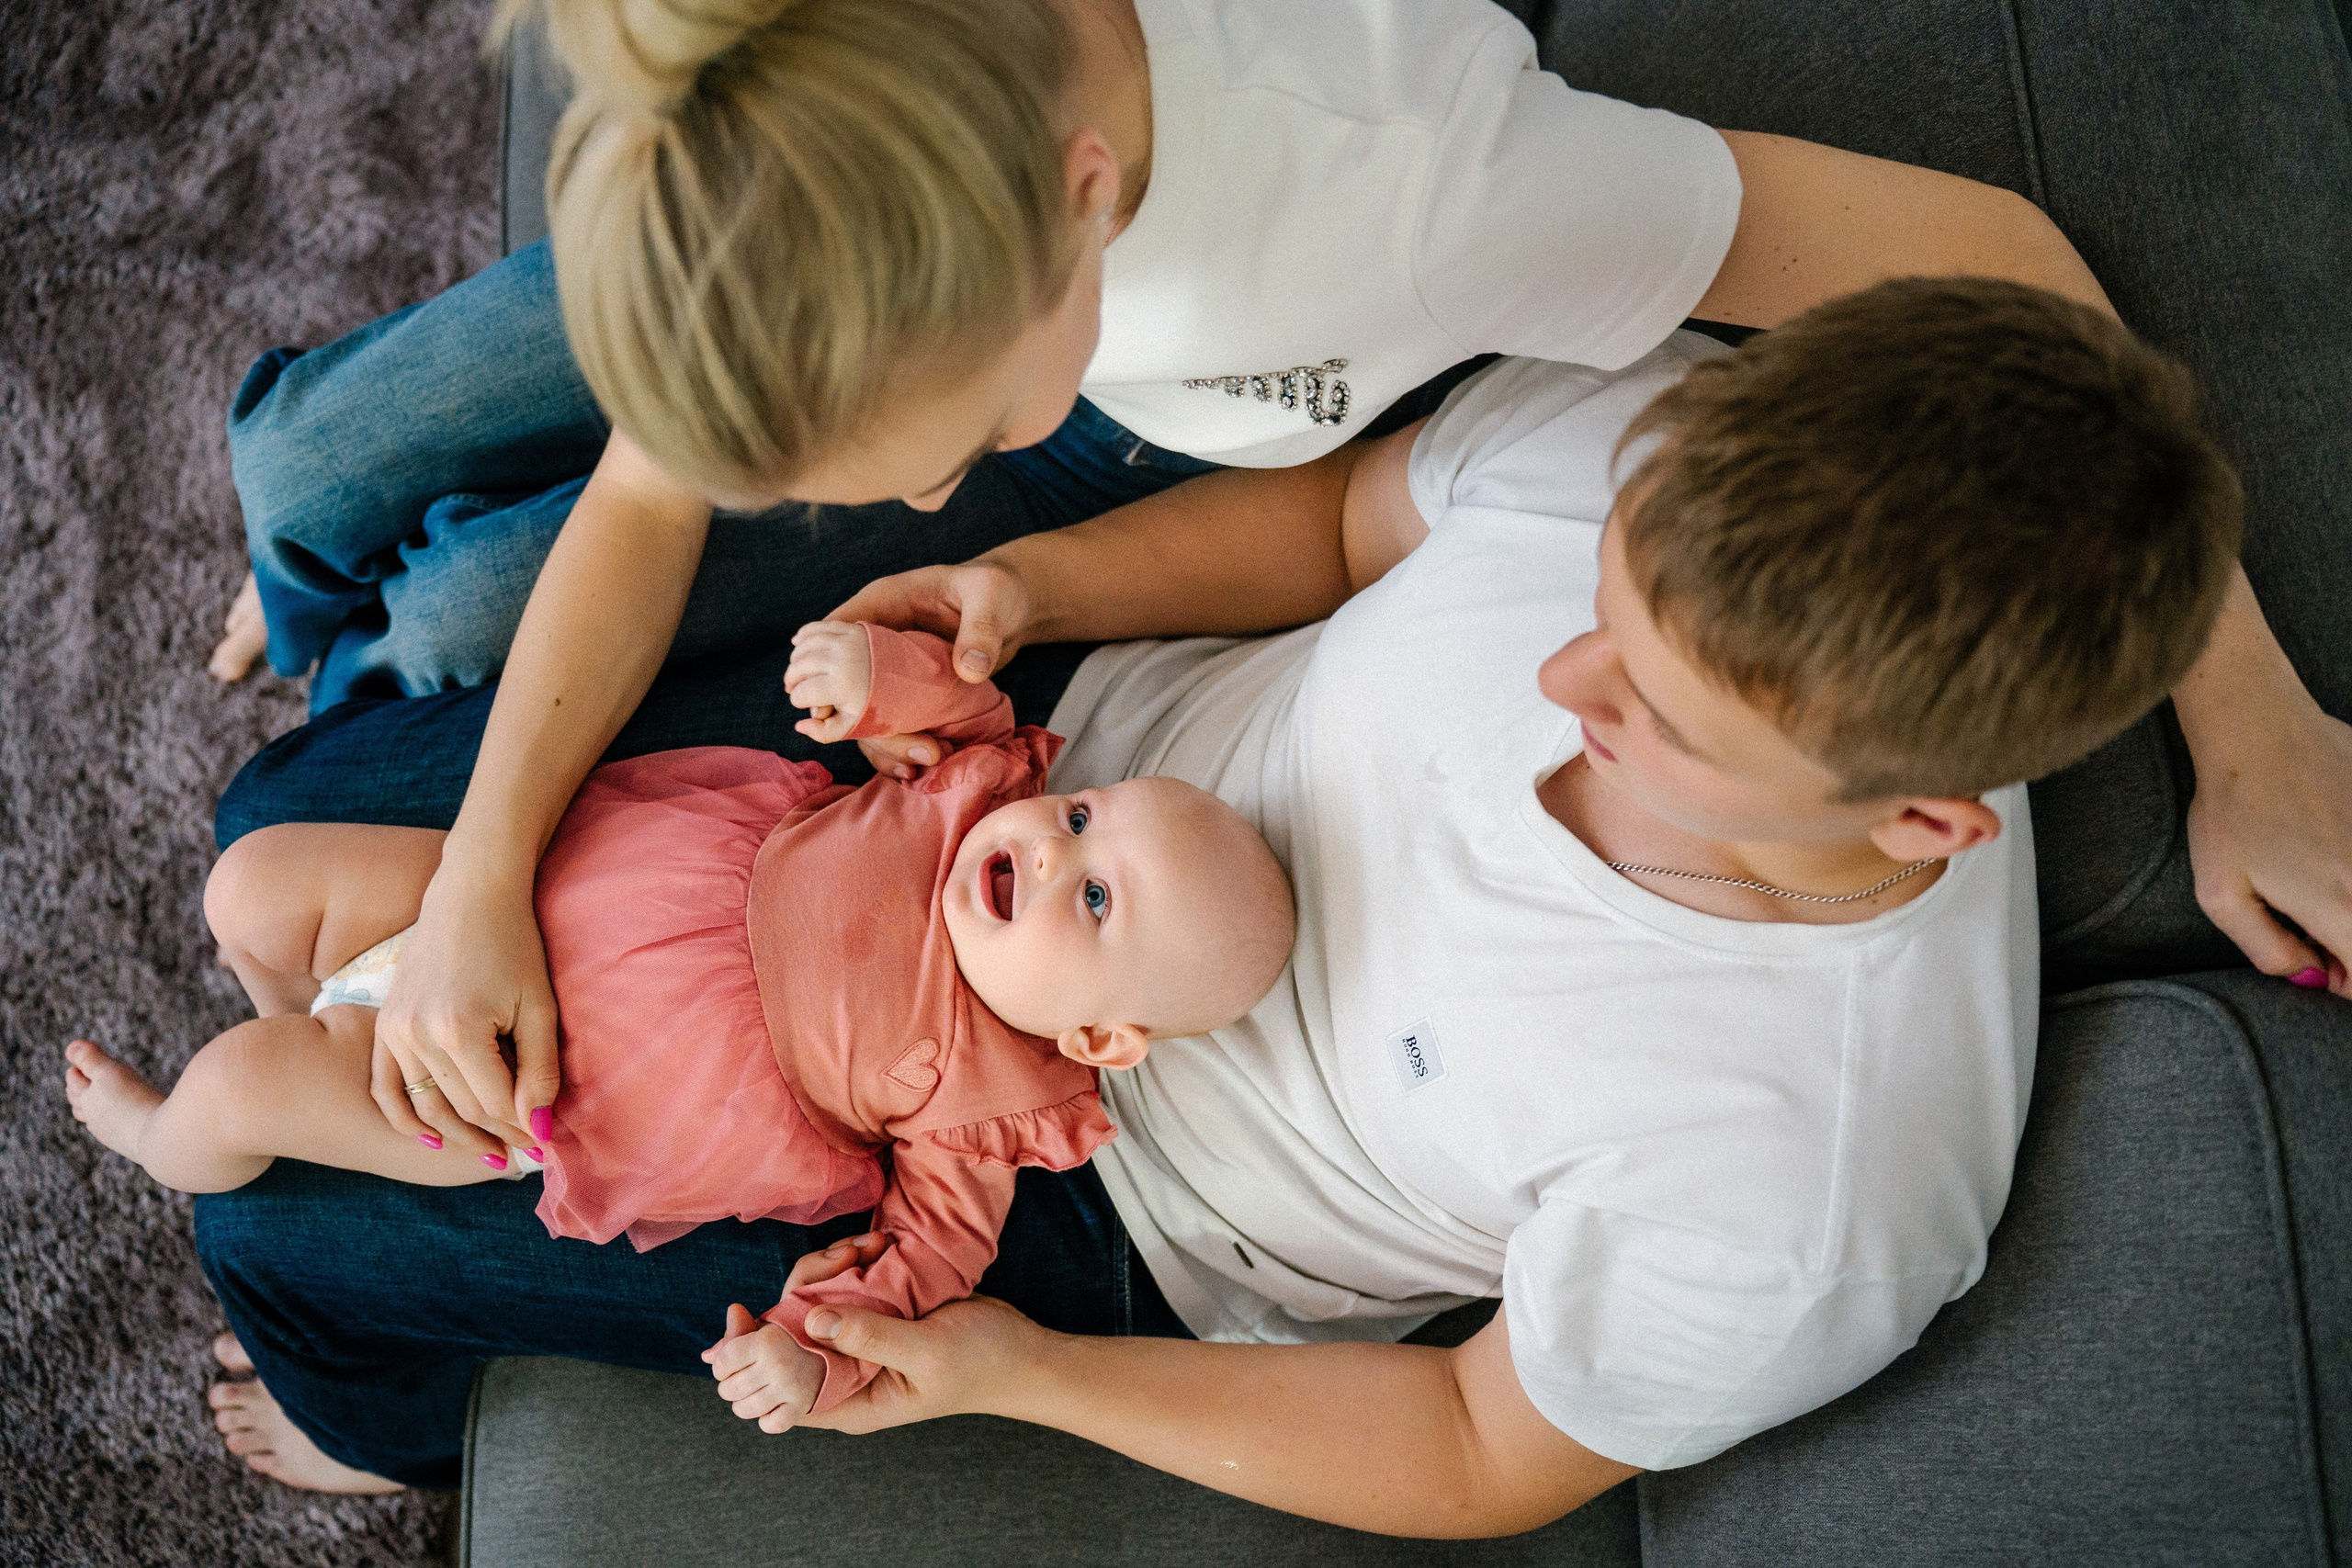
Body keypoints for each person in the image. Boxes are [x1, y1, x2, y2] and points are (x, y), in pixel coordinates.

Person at [196, 280, 2244, 1527]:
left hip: (1079, 1187)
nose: (1560, 679)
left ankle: (386, 1430)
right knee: (274, 833)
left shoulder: (1807, 1186)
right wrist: (1038, 596)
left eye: (1659, 720)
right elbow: (1347, 515)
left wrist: (1018, 1367)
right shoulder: (1688, 443)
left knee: (267, 1212)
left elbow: (1467, 1441)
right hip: (1007, 773)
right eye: (1604, 608)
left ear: (1920, 822)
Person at [214, 0, 2352, 1193]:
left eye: (908, 454)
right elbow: (670, 478)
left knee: (460, 624)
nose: (889, 506)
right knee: (311, 482)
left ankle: (354, 624)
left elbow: (1978, 253)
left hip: (1205, 371)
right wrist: (482, 868)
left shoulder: (1421, 199)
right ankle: (298, 585)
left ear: (1079, 218)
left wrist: (2250, 724)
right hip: (943, 250)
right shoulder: (841, 115)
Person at [72, 621, 1293, 1426]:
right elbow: (964, 706)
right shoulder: (978, 791)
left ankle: (163, 1133)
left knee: (236, 1092)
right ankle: (308, 1010)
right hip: (500, 899)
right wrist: (873, 673)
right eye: (1084, 816)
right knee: (249, 888)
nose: (1050, 840)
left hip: (535, 1083)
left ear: (1097, 1042)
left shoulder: (987, 1109)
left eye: (1092, 895)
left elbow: (924, 1267)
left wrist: (820, 1356)